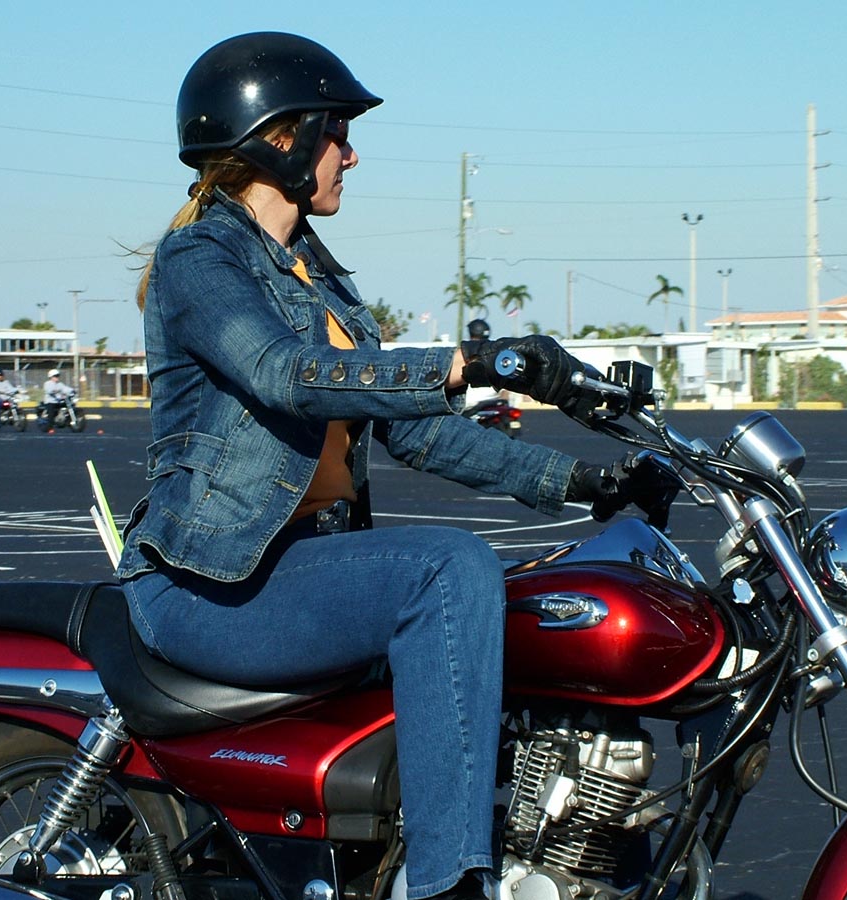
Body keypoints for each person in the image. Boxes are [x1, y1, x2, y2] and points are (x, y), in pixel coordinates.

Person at [115, 32, 623, 900]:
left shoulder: (322, 279)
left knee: (542, 602)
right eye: (337, 132)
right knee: (447, 569)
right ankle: (448, 884)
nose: (350, 154)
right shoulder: (200, 259)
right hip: (210, 586)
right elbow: (285, 373)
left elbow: (420, 435)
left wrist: (582, 482)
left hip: (299, 570)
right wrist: (474, 362)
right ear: (280, 139)